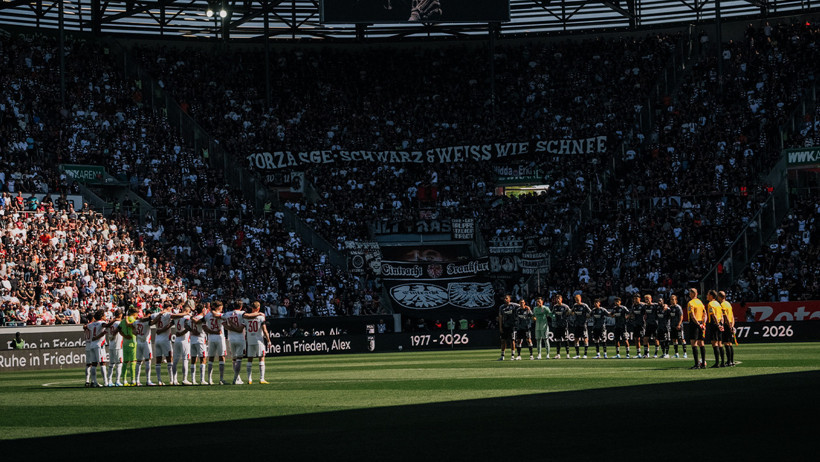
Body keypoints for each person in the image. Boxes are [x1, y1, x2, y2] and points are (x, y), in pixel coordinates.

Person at [244, 301, 271, 384]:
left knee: (249, 359)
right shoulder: (261, 317)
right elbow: (264, 330)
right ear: (258, 308)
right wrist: (269, 340)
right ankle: (261, 378)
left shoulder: (246, 318)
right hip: (259, 340)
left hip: (250, 339)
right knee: (261, 358)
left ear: (252, 308)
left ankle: (249, 379)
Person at [202, 300, 227, 385]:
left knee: (211, 358)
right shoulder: (221, 315)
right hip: (220, 337)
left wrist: (210, 331)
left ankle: (209, 379)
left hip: (211, 338)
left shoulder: (207, 315)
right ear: (219, 307)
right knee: (222, 357)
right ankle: (221, 379)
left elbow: (203, 326)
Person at [152, 302, 176, 385]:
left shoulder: (156, 314)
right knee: (169, 359)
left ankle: (159, 380)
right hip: (165, 339)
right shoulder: (167, 314)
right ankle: (171, 380)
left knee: (158, 360)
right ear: (169, 307)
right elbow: (175, 316)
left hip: (157, 339)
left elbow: (148, 319)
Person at [83, 310, 108, 387]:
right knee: (102, 363)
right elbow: (106, 325)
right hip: (98, 344)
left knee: (92, 364)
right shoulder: (101, 323)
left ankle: (92, 381)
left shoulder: (90, 324)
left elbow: (85, 327)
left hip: (90, 344)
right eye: (104, 315)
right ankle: (106, 382)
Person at [172, 301, 193, 385]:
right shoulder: (186, 317)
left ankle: (174, 380)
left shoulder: (176, 317)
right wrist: (183, 332)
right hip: (184, 340)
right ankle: (184, 379)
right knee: (185, 359)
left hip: (177, 339)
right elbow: (188, 327)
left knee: (175, 360)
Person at [134, 308, 156, 386]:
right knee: (148, 361)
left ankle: (137, 381)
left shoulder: (136, 322)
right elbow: (154, 321)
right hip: (146, 343)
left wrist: (136, 333)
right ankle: (148, 380)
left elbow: (133, 329)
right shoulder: (147, 322)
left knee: (138, 362)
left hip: (139, 342)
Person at [687, 288, 707, 369]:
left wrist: (698, 324)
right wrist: (703, 323)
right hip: (701, 323)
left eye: (689, 293)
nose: (689, 295)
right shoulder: (700, 302)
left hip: (694, 324)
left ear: (692, 294)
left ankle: (696, 364)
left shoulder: (690, 303)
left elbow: (692, 315)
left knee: (693, 343)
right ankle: (703, 363)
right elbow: (705, 314)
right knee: (701, 343)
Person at [189, 303, 208, 385]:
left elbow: (188, 326)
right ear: (203, 310)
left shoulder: (193, 318)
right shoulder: (202, 318)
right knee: (203, 359)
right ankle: (202, 379)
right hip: (200, 339)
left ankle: (193, 380)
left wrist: (192, 331)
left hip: (192, 339)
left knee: (193, 359)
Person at [118, 307, 138, 386]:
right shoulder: (133, 320)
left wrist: (124, 336)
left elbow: (119, 329)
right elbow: (132, 327)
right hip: (132, 342)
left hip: (125, 343)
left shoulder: (123, 320)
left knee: (125, 362)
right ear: (134, 313)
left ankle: (124, 381)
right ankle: (133, 380)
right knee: (133, 361)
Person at [706, 289, 725, 368]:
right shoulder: (718, 304)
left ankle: (717, 363)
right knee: (720, 343)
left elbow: (713, 315)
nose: (706, 296)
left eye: (707, 294)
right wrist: (721, 324)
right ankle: (723, 362)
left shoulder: (710, 304)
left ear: (711, 296)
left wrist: (717, 324)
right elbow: (721, 315)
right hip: (720, 323)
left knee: (714, 343)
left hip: (714, 324)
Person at [106, 309, 124, 386]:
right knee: (119, 364)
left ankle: (109, 381)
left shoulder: (110, 324)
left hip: (111, 345)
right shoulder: (119, 323)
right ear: (120, 315)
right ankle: (117, 381)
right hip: (118, 345)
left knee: (111, 364)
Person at [718, 291, 736, 367]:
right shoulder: (728, 304)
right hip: (731, 324)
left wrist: (729, 326)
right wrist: (732, 325)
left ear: (719, 297)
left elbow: (725, 317)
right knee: (730, 343)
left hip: (726, 325)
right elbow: (732, 316)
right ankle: (731, 361)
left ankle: (729, 361)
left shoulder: (722, 305)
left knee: (726, 343)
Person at [497, 295, 517, 361]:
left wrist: (526, 307)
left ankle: (512, 355)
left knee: (512, 340)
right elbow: (500, 317)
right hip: (504, 326)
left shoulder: (513, 305)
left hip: (512, 326)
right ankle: (502, 356)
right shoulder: (501, 307)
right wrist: (500, 327)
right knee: (503, 341)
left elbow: (522, 306)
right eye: (504, 298)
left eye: (506, 298)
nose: (505, 299)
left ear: (509, 299)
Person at [551, 294, 571, 359]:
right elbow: (552, 313)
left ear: (561, 299)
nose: (557, 300)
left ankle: (568, 354)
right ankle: (558, 354)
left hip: (564, 325)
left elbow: (569, 312)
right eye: (556, 299)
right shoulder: (555, 307)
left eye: (559, 299)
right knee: (558, 340)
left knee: (565, 339)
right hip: (557, 325)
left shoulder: (565, 306)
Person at [668, 294, 687, 358]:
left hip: (678, 326)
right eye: (671, 299)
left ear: (676, 300)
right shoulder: (670, 308)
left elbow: (681, 317)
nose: (672, 301)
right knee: (674, 339)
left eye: (673, 299)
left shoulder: (678, 307)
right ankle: (676, 353)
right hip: (672, 326)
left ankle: (685, 353)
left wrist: (679, 324)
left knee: (682, 338)